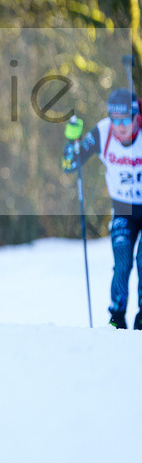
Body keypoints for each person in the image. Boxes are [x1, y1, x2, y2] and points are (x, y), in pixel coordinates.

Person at [62, 88, 142, 329]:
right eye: (115, 119)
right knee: (122, 262)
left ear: (136, 116)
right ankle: (117, 316)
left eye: (125, 120)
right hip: (123, 209)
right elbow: (70, 164)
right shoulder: (102, 131)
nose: (120, 127)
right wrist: (71, 140)